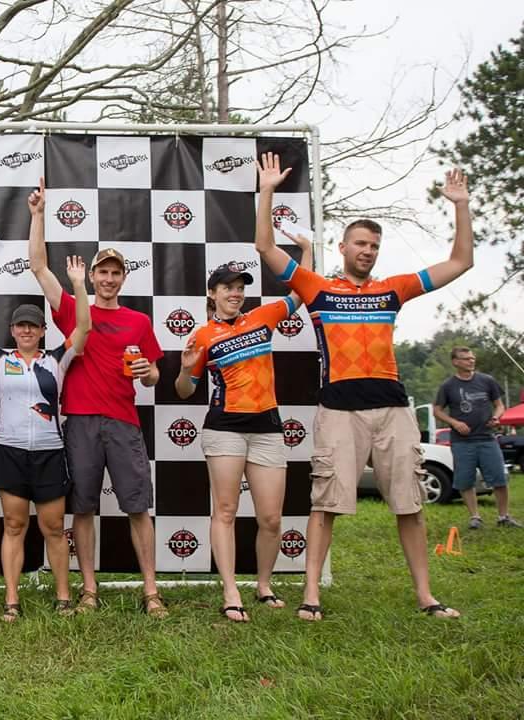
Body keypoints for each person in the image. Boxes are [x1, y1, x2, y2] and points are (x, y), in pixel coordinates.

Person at [254, 152, 472, 620]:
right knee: (325, 505)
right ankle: (311, 595)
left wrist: (460, 205)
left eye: (373, 245)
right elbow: (265, 248)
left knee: (411, 505)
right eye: (360, 243)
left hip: (391, 408)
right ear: (342, 247)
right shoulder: (318, 288)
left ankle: (426, 597)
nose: (367, 251)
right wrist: (267, 190)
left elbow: (460, 262)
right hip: (338, 409)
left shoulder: (393, 288)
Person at [26, 179, 167, 617]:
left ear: (123, 277)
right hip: (81, 420)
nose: (107, 278)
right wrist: (37, 215)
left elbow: (154, 376)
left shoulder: (139, 321)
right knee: (82, 508)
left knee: (138, 508)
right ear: (92, 276)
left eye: (115, 272)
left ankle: (151, 591)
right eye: (102, 272)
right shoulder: (71, 307)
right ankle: (88, 590)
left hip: (123, 421)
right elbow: (37, 266)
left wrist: (149, 371)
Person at [174, 234, 312, 623]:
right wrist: (186, 368)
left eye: (239, 288)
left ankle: (264, 585)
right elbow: (185, 392)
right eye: (227, 288)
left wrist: (307, 251)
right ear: (212, 293)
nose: (235, 294)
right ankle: (231, 590)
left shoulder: (262, 317)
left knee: (271, 517)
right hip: (224, 428)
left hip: (268, 425)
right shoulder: (202, 336)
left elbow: (302, 291)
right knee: (226, 510)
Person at [0, 255, 92, 621]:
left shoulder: (57, 360)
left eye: (33, 326)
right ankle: (12, 600)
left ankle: (64, 597)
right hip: (10, 452)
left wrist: (79, 287)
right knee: (15, 526)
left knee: (53, 528)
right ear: (13, 329)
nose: (26, 331)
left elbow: (83, 327)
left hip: (50, 453)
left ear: (42, 330)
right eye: (20, 326)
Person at [433, 347, 519, 529]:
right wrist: (454, 423)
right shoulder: (448, 386)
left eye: (472, 358)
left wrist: (497, 417)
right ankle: (475, 517)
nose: (471, 361)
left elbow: (499, 405)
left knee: (499, 479)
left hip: (487, 438)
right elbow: (437, 410)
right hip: (462, 442)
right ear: (455, 362)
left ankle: (503, 517)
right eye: (465, 359)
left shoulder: (486, 381)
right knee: (465, 481)